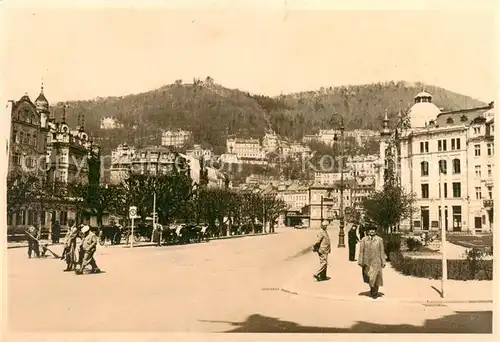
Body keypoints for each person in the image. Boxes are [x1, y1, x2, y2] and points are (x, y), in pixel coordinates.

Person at [358, 227, 386, 298]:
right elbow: (361, 251)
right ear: (368, 231)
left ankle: (374, 292)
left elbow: (382, 251)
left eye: (373, 230)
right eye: (370, 230)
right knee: (369, 276)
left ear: (376, 231)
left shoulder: (379, 240)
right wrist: (360, 261)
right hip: (367, 261)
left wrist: (383, 261)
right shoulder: (364, 240)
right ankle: (372, 288)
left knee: (376, 276)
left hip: (376, 261)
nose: (372, 231)